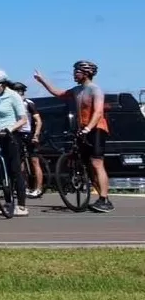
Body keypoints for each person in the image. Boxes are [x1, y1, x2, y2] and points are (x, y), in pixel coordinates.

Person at [34, 61, 112, 212]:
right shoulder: (77, 90)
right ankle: (103, 198)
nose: (74, 74)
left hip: (96, 129)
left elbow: (98, 112)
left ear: (86, 73)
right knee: (88, 167)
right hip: (83, 129)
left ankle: (104, 199)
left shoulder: (95, 90)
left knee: (97, 163)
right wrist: (42, 80)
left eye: (77, 71)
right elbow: (58, 93)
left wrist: (89, 128)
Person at [0, 68, 29, 217]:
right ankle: (8, 202)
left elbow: (23, 119)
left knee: (15, 170)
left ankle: (21, 206)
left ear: (3, 82)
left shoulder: (13, 96)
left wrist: (9, 129)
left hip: (12, 135)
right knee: (2, 172)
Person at [9, 82, 44, 198]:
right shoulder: (12, 104)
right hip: (17, 133)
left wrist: (36, 135)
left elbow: (38, 120)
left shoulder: (28, 103)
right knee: (20, 163)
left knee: (34, 162)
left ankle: (38, 188)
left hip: (29, 134)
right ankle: (24, 187)